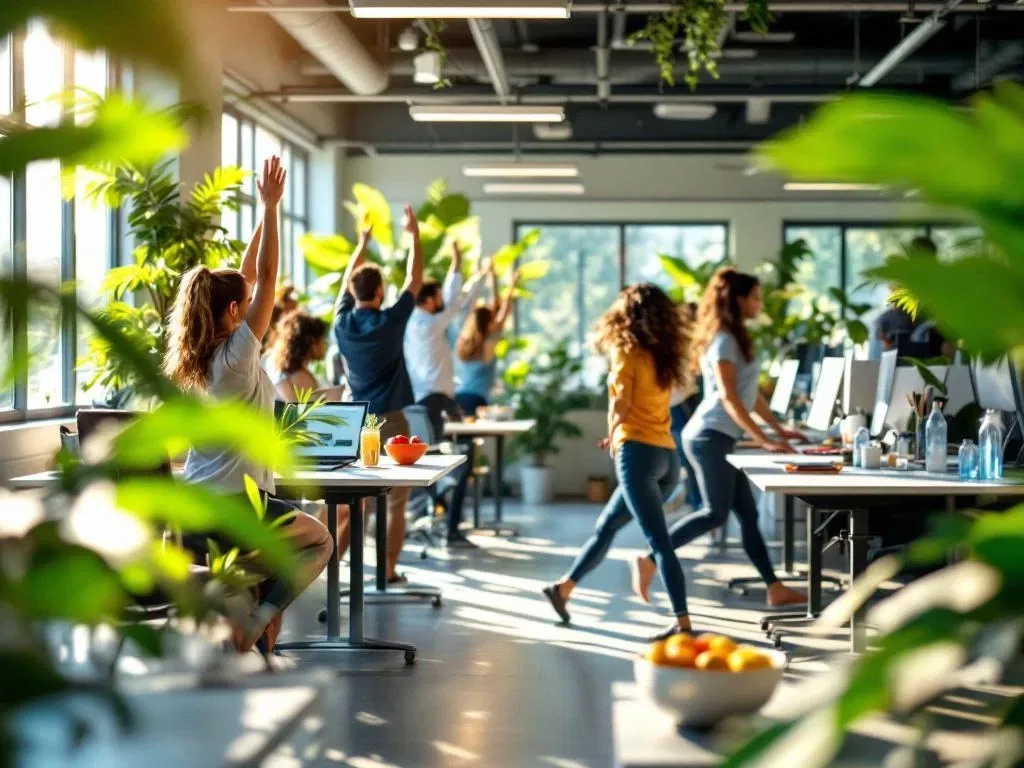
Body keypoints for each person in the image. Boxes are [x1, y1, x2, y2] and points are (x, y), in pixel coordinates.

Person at [164, 156, 332, 654]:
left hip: (194, 507)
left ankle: (255, 636)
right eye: (244, 301)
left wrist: (264, 211)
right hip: (237, 507)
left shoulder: (196, 359)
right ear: (233, 312)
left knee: (272, 563)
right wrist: (273, 207)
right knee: (319, 541)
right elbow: (266, 275)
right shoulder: (237, 356)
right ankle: (256, 623)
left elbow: (245, 276)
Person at [630, 268, 806, 634]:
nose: (759, 303)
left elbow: (749, 395)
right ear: (739, 300)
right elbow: (728, 398)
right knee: (714, 513)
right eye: (755, 297)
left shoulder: (738, 339)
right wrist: (761, 439)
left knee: (747, 514)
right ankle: (650, 557)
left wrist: (778, 430)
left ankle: (774, 588)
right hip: (709, 436)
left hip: (721, 436)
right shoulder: (724, 341)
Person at [541, 284, 694, 638]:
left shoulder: (627, 350)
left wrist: (613, 435)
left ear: (626, 316)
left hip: (638, 454)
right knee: (607, 526)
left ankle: (683, 623)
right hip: (666, 457)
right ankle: (563, 589)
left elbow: (621, 401)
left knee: (659, 542)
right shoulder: (663, 356)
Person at [332, 208, 423, 582]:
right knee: (396, 502)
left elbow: (345, 284)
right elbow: (414, 281)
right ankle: (387, 570)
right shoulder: (390, 321)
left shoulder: (342, 322)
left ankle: (330, 570)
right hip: (391, 419)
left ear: (354, 293)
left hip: (354, 421)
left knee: (357, 502)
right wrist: (414, 235)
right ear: (381, 292)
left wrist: (362, 245)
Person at [404, 244, 487, 547]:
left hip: (426, 401)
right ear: (428, 300)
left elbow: (455, 302)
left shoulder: (411, 321)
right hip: (435, 401)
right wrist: (456, 263)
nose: (441, 301)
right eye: (437, 297)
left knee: (441, 460)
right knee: (458, 462)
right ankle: (449, 525)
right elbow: (454, 303)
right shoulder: (428, 321)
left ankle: (440, 514)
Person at [453, 264, 520, 416]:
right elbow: (503, 313)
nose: (495, 321)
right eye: (492, 320)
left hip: (458, 397)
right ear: (487, 324)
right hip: (476, 401)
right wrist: (512, 286)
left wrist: (493, 278)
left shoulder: (464, 342)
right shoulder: (488, 344)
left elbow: (494, 309)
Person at [270, 309, 342, 402]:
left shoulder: (287, 373)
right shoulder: (300, 377)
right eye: (321, 339)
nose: (324, 343)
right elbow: (313, 405)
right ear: (311, 341)